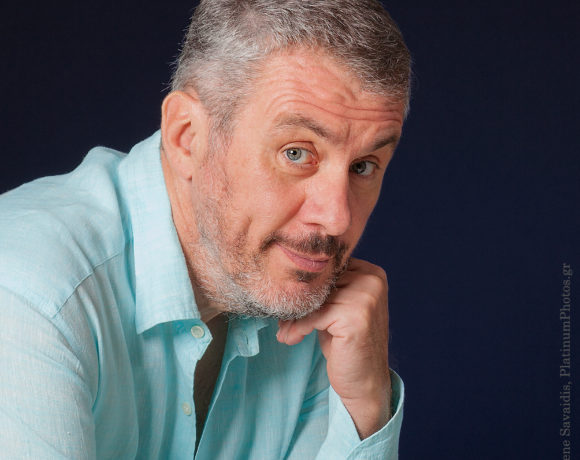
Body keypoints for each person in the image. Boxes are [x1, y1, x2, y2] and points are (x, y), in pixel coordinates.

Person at [0, 0, 411, 458]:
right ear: (187, 137)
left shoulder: (315, 305)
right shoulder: (30, 297)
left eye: (363, 166)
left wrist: (364, 407)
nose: (336, 219)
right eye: (296, 153)